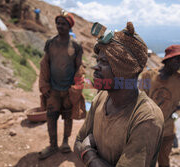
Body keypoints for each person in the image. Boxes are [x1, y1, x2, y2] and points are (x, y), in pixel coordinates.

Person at [74, 22, 164, 167]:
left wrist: (88, 154)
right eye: (98, 60)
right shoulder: (101, 98)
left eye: (104, 62)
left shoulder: (146, 118)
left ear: (125, 70)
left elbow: (82, 146)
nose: (95, 67)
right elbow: (78, 141)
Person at [141, 44, 180, 167]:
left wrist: (179, 108)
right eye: (176, 59)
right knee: (146, 161)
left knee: (164, 161)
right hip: (148, 130)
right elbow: (140, 99)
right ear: (168, 59)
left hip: (167, 132)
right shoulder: (147, 76)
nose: (179, 63)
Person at [38, 11, 84, 159]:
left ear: (69, 26)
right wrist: (44, 85)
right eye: (58, 23)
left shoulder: (76, 46)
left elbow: (79, 68)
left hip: (68, 91)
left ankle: (65, 142)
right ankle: (52, 145)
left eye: (63, 23)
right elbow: (45, 64)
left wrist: (76, 89)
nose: (59, 26)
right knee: (51, 117)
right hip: (53, 90)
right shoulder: (50, 43)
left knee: (68, 117)